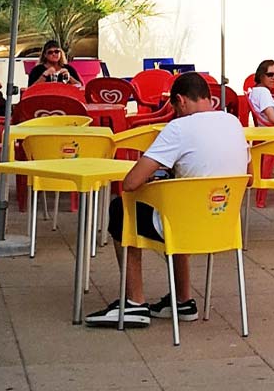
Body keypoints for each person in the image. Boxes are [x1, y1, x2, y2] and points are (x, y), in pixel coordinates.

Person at [85, 72, 248, 327]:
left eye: (174, 108)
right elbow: (247, 178)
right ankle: (183, 300)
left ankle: (134, 303)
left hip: (183, 226)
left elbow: (131, 183)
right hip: (224, 224)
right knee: (176, 205)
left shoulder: (178, 128)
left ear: (181, 101)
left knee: (120, 209)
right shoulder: (233, 123)